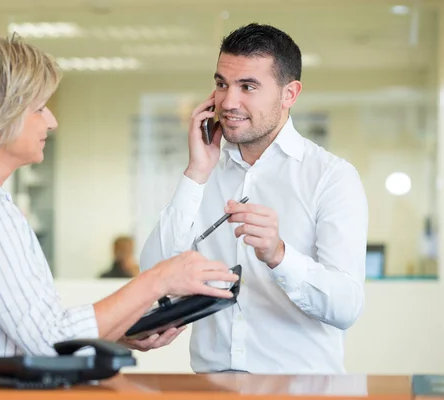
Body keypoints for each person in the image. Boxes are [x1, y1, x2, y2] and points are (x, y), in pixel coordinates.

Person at [0, 32, 238, 371]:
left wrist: (116, 329)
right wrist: (160, 280)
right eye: (39, 109)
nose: (51, 121)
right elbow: (50, 342)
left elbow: (30, 331)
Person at [140, 23, 368, 374]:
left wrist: (279, 255)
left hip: (301, 391)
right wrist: (196, 173)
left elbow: (346, 307)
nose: (228, 102)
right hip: (212, 387)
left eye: (248, 86)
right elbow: (152, 274)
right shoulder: (203, 170)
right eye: (221, 84)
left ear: (289, 94)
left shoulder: (331, 177)